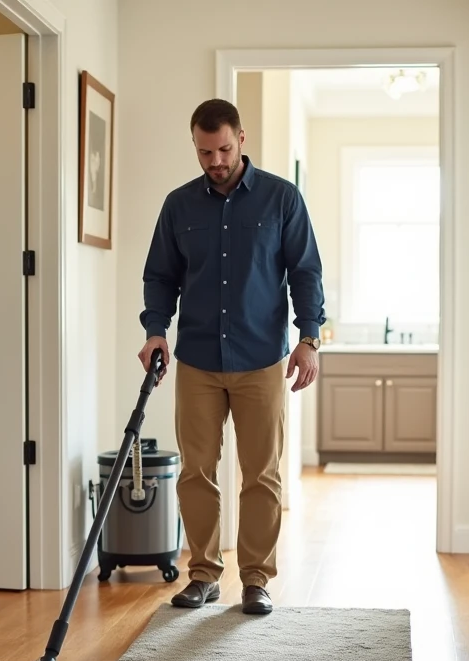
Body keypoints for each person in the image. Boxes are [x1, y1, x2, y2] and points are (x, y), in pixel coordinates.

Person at [137, 98, 325, 615]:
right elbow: (160, 276)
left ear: (242, 139)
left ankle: (257, 579)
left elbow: (306, 272)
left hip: (262, 357)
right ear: (194, 146)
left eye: (223, 149)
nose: (215, 160)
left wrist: (309, 338)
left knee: (261, 473)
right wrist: (156, 330)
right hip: (196, 356)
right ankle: (203, 574)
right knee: (197, 471)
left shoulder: (281, 199)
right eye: (204, 152)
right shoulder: (179, 206)